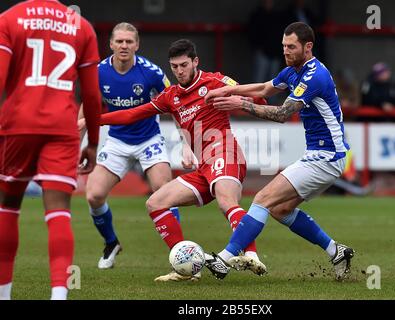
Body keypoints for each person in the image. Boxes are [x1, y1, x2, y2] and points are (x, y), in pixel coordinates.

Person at [79, 39, 268, 281]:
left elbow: (259, 98)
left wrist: (242, 102)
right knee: (155, 202)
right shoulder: (171, 96)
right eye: (175, 66)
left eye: (184, 65)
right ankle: (186, 268)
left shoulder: (216, 81)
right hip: (203, 168)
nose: (179, 71)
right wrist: (94, 119)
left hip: (225, 154)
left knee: (225, 201)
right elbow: (131, 114)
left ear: (195, 62)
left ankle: (250, 254)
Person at [203, 22, 355, 281]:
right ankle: (336, 250)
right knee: (280, 209)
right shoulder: (292, 71)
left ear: (308, 47)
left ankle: (224, 258)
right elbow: (264, 89)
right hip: (323, 155)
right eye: (284, 46)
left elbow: (282, 114)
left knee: (262, 199)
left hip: (327, 156)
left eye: (291, 47)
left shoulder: (313, 76)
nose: (286, 51)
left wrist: (239, 104)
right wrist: (229, 89)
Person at [0, 0, 101, 300]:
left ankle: (4, 295)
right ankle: (59, 295)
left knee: (8, 207)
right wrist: (93, 141)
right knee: (59, 211)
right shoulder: (81, 26)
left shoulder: (9, 19)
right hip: (61, 128)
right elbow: (92, 95)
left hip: (18, 124)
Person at [80, 22, 183, 270]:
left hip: (149, 139)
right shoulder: (98, 71)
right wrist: (78, 139)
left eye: (129, 41)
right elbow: (89, 106)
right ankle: (111, 243)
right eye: (120, 41)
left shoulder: (152, 73)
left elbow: (176, 104)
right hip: (116, 141)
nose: (124, 46)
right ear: (111, 44)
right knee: (93, 195)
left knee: (164, 191)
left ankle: (179, 254)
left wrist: (187, 142)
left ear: (137, 44)